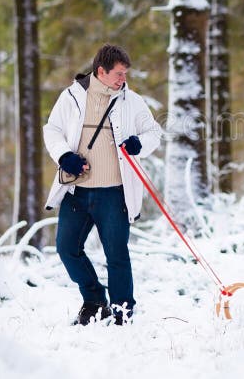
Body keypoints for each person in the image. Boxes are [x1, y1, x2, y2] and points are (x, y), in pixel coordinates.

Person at [43, 44, 162, 326]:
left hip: (114, 193)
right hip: (77, 191)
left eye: (125, 74)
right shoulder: (71, 97)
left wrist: (139, 144)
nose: (123, 79)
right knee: (67, 248)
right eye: (119, 74)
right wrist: (64, 156)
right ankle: (95, 300)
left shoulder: (131, 101)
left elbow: (153, 132)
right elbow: (53, 130)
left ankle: (122, 310)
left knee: (116, 254)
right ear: (101, 71)